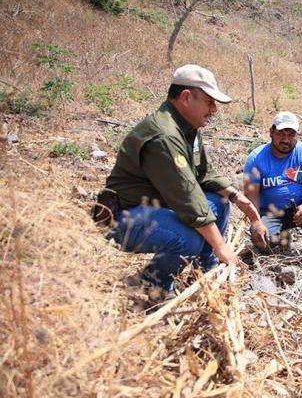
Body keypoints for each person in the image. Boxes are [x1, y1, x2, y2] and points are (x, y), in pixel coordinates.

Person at [105, 64, 260, 293]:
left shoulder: (187, 128)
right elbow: (188, 195)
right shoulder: (165, 135)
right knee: (188, 239)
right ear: (187, 97)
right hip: (125, 216)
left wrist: (238, 198)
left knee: (219, 201)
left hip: (158, 206)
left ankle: (206, 273)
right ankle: (153, 288)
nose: (214, 109)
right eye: (209, 102)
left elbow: (204, 173)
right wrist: (221, 246)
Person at [243, 111, 302, 260]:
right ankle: (280, 235)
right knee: (263, 242)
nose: (286, 139)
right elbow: (251, 194)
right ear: (271, 132)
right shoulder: (256, 158)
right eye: (281, 133)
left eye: (291, 134)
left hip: (300, 210)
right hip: (271, 213)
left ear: (297, 136)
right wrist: (256, 222)